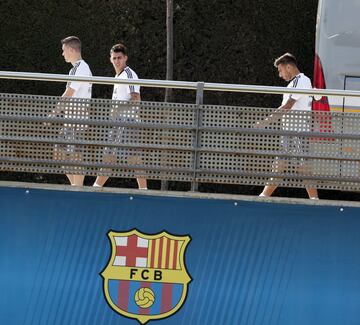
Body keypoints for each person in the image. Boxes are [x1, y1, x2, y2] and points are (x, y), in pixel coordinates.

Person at [256, 53, 319, 199]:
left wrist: (264, 122)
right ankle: (263, 196)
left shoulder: (301, 81)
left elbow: (287, 106)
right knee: (280, 165)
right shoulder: (295, 82)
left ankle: (315, 200)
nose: (280, 74)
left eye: (280, 70)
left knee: (302, 168)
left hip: (297, 132)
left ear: (289, 67)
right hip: (291, 132)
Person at [93, 43, 147, 189]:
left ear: (125, 58)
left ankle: (144, 191)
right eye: (114, 58)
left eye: (119, 58)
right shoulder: (118, 75)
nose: (117, 61)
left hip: (128, 122)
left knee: (133, 159)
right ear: (110, 59)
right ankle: (96, 188)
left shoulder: (129, 74)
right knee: (109, 157)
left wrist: (119, 110)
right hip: (117, 123)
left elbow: (136, 99)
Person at [53, 36, 92, 186]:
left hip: (77, 121)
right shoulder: (76, 69)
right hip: (71, 120)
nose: (62, 54)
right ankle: (75, 186)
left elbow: (68, 94)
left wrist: (53, 113)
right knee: (59, 155)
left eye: (63, 51)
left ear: (70, 49)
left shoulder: (80, 68)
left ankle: (78, 189)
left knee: (76, 156)